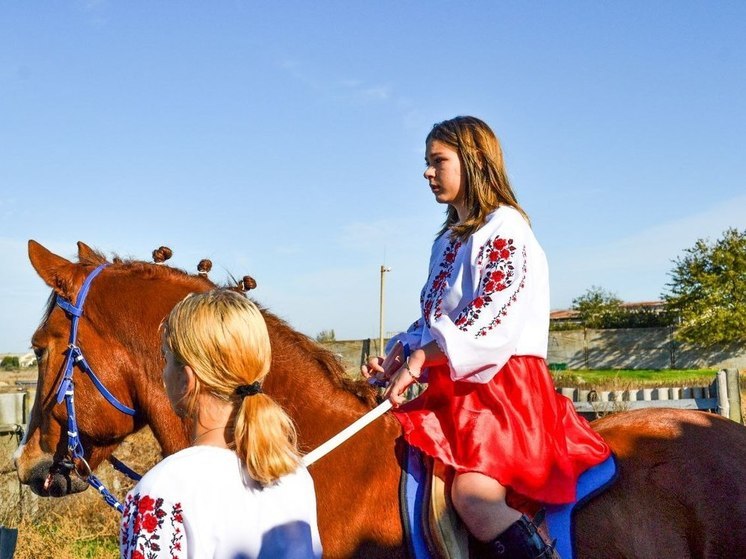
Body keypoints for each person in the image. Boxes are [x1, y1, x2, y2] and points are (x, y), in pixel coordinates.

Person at [363, 116, 610, 559]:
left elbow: (490, 324)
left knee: (474, 498)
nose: (426, 172)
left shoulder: (506, 228)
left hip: (503, 396)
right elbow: (434, 323)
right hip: (458, 393)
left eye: (438, 161)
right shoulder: (447, 242)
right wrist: (401, 356)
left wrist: (421, 360)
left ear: (474, 160)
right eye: (426, 162)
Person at [120, 289, 322, 559]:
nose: (163, 371)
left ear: (187, 379)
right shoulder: (295, 478)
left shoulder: (162, 491)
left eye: (166, 358)